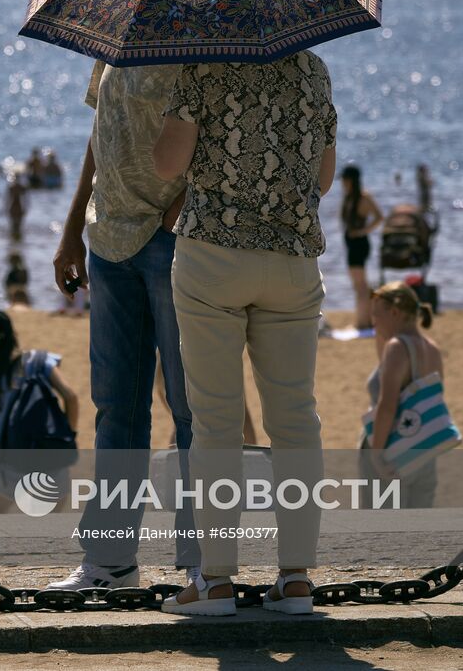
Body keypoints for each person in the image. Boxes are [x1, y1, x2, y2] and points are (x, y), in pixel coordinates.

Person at [47, 0, 199, 595]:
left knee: (193, 410)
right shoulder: (117, 22)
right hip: (109, 241)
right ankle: (109, 563)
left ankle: (204, 567)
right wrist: (73, 224)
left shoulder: (198, 24)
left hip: (173, 243)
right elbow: (97, 134)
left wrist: (182, 208)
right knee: (117, 407)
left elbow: (220, 126)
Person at [152, 42, 337, 616]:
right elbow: (324, 177)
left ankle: (215, 581)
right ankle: (297, 579)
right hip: (293, 260)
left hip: (214, 257)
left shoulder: (202, 65)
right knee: (295, 419)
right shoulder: (313, 68)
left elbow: (166, 164)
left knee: (215, 421)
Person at [0, 310, 79, 513]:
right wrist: (67, 437)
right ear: (12, 335)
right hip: (53, 472)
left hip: (8, 477)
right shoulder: (37, 362)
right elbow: (71, 397)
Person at [362, 282, 445, 508]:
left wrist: (377, 455)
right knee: (417, 533)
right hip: (424, 452)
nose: (373, 322)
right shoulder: (432, 348)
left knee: (382, 534)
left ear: (395, 312)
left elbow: (387, 406)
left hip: (391, 451)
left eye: (377, 315)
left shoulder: (397, 348)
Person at [340, 166, 382, 330]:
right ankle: (364, 320)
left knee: (361, 286)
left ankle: (363, 322)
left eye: (344, 179)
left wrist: (363, 231)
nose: (343, 183)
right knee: (359, 285)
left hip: (359, 244)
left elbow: (379, 217)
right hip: (351, 244)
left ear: (351, 180)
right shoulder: (349, 197)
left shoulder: (364, 197)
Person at [5, 176, 27, 242]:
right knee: (18, 226)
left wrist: (6, 208)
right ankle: (17, 241)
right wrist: (25, 208)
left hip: (13, 207)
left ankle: (13, 241)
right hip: (19, 207)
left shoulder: (12, 187)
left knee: (13, 225)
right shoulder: (21, 187)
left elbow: (7, 199)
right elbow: (26, 199)